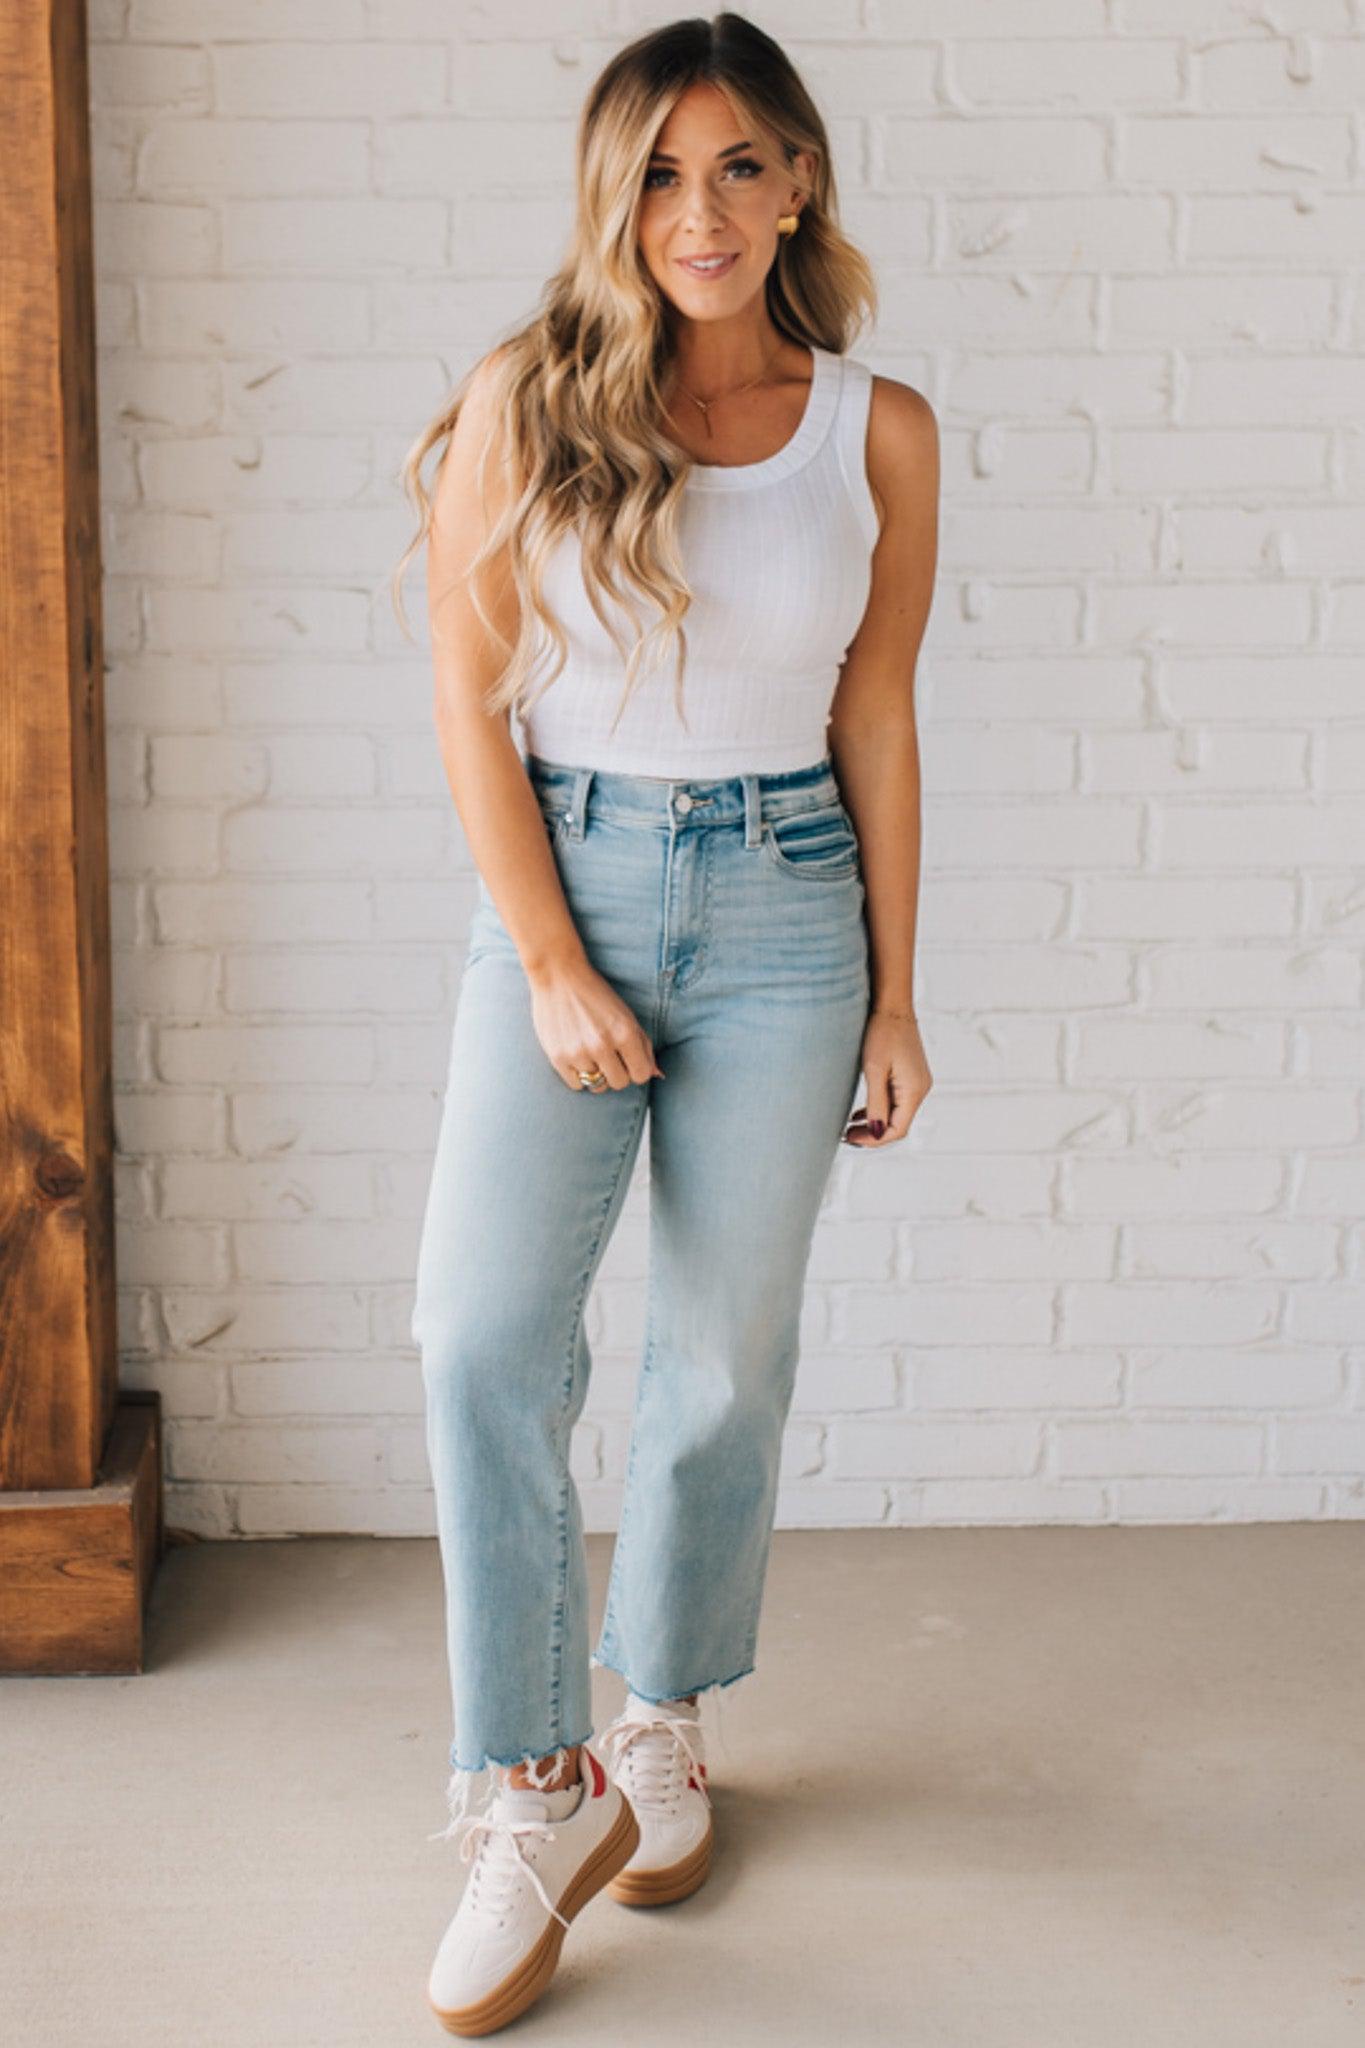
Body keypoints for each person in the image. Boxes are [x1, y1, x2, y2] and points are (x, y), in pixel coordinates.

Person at [392, 12, 937, 2036]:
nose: (692, 211)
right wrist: (546, 954)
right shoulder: (522, 404)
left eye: (733, 167)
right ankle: (527, 1793)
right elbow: (466, 698)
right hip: (575, 882)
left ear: (796, 178)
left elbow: (871, 707)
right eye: (652, 172)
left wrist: (895, 985)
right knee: (478, 1329)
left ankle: (658, 1721)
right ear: (605, 196)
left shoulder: (874, 427)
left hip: (794, 909)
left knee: (721, 1355)